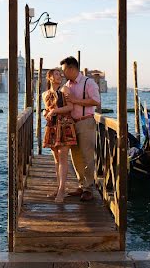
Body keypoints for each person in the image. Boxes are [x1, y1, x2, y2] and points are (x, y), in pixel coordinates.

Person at [60, 55, 101, 201]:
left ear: (72, 68)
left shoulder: (88, 83)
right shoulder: (68, 85)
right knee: (75, 155)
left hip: (85, 121)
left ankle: (88, 188)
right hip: (71, 123)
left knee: (87, 156)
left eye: (64, 70)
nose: (63, 73)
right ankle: (81, 184)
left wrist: (76, 101)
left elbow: (96, 101)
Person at [42, 68, 77, 202]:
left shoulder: (65, 90)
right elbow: (46, 109)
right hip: (52, 126)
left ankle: (62, 190)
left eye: (60, 74)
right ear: (50, 77)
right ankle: (59, 188)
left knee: (63, 157)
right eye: (57, 74)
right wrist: (46, 113)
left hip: (65, 125)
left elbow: (70, 107)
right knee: (56, 159)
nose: (60, 76)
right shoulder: (45, 94)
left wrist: (55, 111)